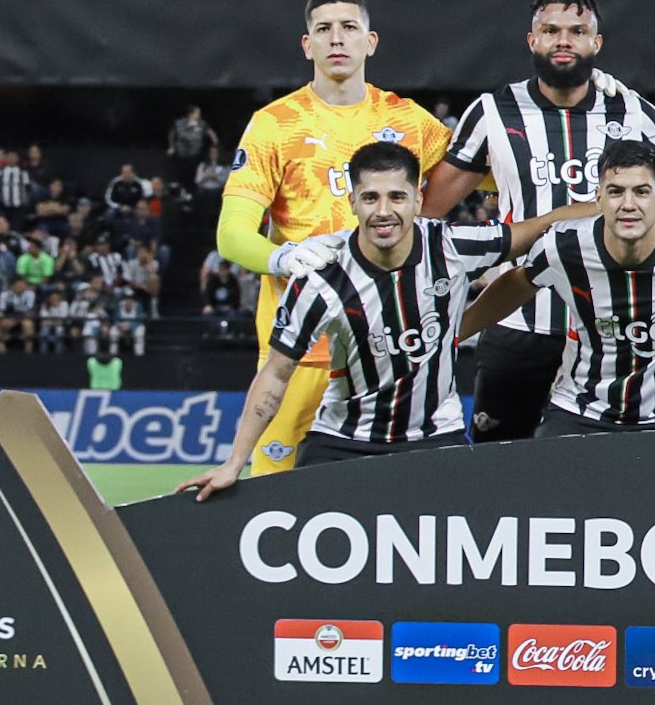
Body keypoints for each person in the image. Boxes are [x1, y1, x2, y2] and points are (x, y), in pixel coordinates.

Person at [179, 143, 548, 500]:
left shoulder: (451, 246)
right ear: (352, 201)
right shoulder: (320, 277)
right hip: (343, 444)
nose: (383, 210)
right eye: (370, 198)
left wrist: (603, 210)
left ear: (418, 201)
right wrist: (234, 463)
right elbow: (276, 373)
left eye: (397, 197)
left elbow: (539, 232)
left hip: (435, 440)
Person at [420, 0, 655, 443]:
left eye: (577, 31)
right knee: (499, 468)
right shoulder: (491, 112)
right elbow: (429, 215)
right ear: (533, 40)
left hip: (611, 331)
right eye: (551, 30)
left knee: (596, 476)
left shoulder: (628, 109)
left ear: (596, 44)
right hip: (519, 323)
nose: (563, 40)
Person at [218, 0, 453, 475]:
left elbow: (495, 170)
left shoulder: (409, 122)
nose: (336, 38)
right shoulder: (274, 124)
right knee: (273, 505)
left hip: (389, 355)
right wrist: (282, 258)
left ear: (371, 40)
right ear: (308, 45)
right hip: (298, 352)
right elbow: (231, 234)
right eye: (323, 29)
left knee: (390, 508)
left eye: (349, 27)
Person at [459, 141, 655, 436]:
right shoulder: (562, 247)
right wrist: (455, 334)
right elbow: (519, 282)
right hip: (580, 408)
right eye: (616, 191)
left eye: (642, 191)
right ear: (598, 198)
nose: (629, 204)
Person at [167, 104, 219, 183]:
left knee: (195, 171)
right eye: (197, 113)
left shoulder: (202, 124)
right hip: (181, 154)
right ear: (191, 114)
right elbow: (171, 134)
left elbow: (212, 134)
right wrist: (172, 146)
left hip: (196, 155)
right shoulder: (180, 123)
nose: (199, 115)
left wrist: (215, 142)